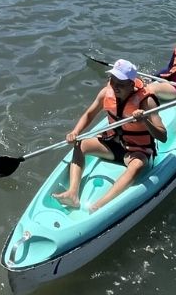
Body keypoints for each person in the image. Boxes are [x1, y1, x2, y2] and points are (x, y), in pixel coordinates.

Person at [54, 59, 166, 213]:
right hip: (113, 144)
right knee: (80, 144)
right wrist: (75, 132)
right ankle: (73, 193)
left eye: (120, 83)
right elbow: (89, 114)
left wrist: (145, 120)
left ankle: (101, 204)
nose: (115, 86)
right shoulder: (106, 92)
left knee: (137, 165)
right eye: (113, 81)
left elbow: (163, 135)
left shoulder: (147, 101)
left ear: (131, 85)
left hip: (137, 151)